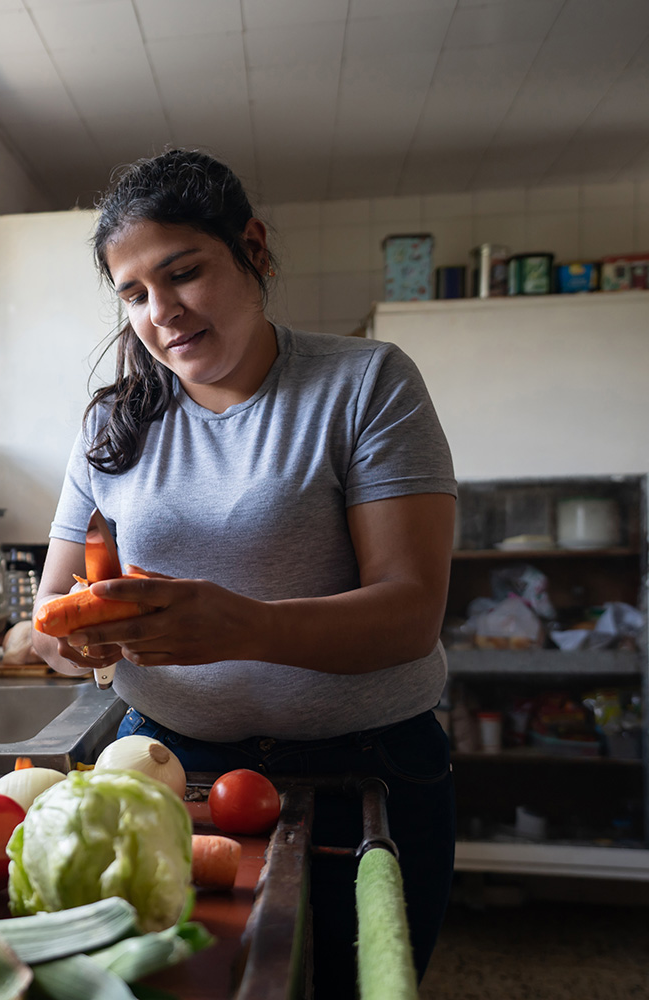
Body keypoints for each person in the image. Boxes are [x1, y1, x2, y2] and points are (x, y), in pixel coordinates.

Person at [30, 147, 458, 998]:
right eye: (134, 294)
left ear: (253, 247)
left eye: (184, 273)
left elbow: (411, 615)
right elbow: (53, 605)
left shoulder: (366, 383)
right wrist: (76, 640)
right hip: (164, 770)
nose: (163, 313)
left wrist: (244, 624)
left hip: (365, 768)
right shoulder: (113, 425)